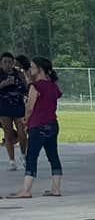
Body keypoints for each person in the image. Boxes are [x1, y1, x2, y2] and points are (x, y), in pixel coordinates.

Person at [9, 57, 62, 198]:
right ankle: (56, 189)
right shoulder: (53, 86)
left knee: (32, 156)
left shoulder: (35, 86)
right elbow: (55, 97)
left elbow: (30, 107)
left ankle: (26, 190)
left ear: (39, 69)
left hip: (38, 125)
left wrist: (25, 121)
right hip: (52, 124)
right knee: (53, 156)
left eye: (32, 67)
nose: (30, 69)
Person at [0, 54, 24, 171]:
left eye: (10, 62)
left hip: (18, 106)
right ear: (1, 63)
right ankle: (12, 161)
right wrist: (3, 84)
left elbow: (25, 88)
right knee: (8, 133)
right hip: (4, 108)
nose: (8, 64)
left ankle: (24, 155)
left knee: (22, 132)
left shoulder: (18, 74)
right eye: (5, 62)